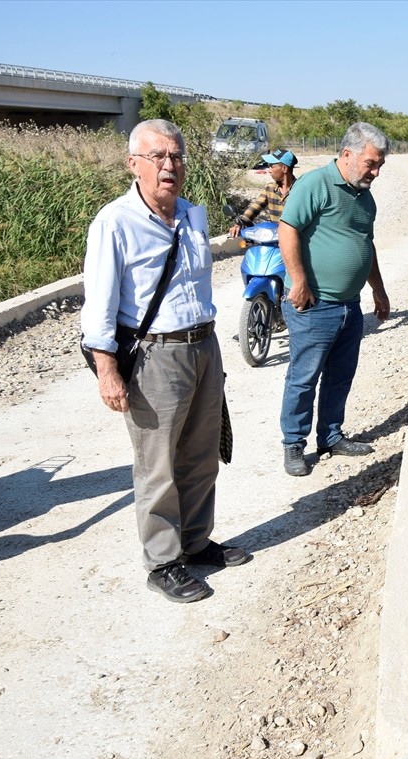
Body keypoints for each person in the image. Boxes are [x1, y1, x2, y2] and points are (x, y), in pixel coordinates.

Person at [81, 118, 249, 603]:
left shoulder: (194, 215)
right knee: (157, 466)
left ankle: (195, 544)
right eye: (157, 157)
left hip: (203, 346)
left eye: (176, 156)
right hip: (154, 356)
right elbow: (100, 305)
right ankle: (162, 562)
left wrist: (210, 351)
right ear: (134, 164)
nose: (169, 165)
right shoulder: (114, 222)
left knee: (200, 457)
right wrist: (107, 371)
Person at [277, 122, 390, 477]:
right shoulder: (315, 185)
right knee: (304, 377)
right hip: (313, 305)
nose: (375, 172)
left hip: (349, 305)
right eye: (371, 164)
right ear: (347, 155)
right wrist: (298, 281)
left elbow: (365, 246)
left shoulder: (364, 198)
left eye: (379, 166)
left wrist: (379, 289)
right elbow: (288, 229)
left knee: (340, 376)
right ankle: (294, 444)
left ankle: (329, 436)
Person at [226, 148, 297, 238]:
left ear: (284, 168)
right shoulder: (269, 188)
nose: (269, 170)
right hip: (274, 238)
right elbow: (255, 207)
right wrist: (240, 223)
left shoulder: (300, 190)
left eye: (272, 166)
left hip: (294, 239)